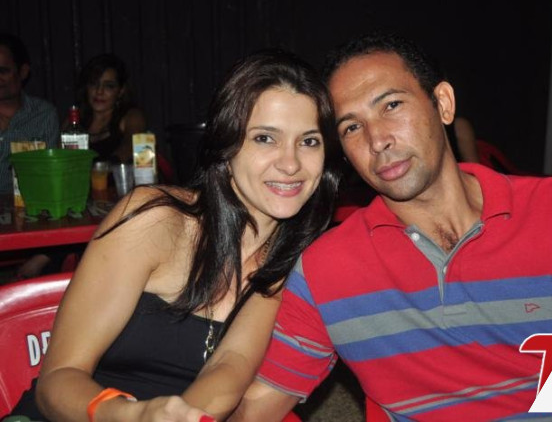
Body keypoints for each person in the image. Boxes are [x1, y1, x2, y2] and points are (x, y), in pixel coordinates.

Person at [230, 33, 552, 421]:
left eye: (391, 105)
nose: (377, 139)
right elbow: (261, 402)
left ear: (443, 103)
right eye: (351, 127)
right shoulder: (329, 268)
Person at [8, 49, 341, 422]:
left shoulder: (295, 258)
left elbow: (229, 368)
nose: (291, 163)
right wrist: (132, 415)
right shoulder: (154, 220)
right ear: (226, 145)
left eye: (309, 141)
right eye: (265, 138)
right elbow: (58, 379)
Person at [0, 32, 59, 194]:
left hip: (29, 204)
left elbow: (50, 173)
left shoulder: (43, 115)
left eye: (3, 71)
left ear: (23, 72)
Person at [72, 53, 146, 163]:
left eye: (109, 86)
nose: (99, 91)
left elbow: (133, 145)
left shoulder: (131, 116)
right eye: (94, 84)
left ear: (121, 91)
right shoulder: (75, 119)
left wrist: (105, 166)